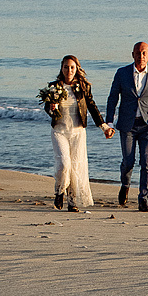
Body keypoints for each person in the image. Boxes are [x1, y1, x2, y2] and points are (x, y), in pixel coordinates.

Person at [40, 55, 110, 211]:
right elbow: (47, 108)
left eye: (72, 67)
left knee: (76, 167)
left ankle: (72, 202)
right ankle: (59, 191)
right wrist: (51, 108)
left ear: (77, 68)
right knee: (64, 165)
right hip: (59, 131)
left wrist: (104, 127)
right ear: (61, 68)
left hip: (78, 132)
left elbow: (92, 107)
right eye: (66, 67)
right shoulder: (54, 87)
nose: (69, 70)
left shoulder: (83, 87)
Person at [104, 41, 148, 210]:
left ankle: (143, 198)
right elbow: (112, 99)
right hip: (127, 125)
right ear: (132, 54)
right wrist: (108, 123)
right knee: (128, 161)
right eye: (138, 53)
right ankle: (125, 186)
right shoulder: (122, 73)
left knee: (146, 161)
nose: (141, 56)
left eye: (144, 53)